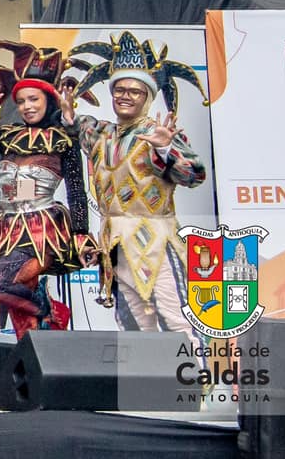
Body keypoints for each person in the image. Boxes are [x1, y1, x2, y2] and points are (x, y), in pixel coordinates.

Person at [65, 32, 208, 332]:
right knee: (132, 326)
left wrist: (164, 149)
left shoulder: (160, 134)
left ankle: (194, 378)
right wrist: (67, 115)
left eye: (135, 91)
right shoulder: (101, 134)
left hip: (155, 238)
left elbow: (195, 175)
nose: (125, 96)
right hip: (115, 244)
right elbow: (75, 126)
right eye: (119, 89)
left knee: (175, 318)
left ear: (148, 96)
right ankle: (148, 380)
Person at [0, 42, 98, 339]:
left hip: (42, 231)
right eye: (20, 101)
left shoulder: (63, 139)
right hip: (8, 228)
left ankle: (47, 310)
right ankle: (33, 364)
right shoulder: (9, 135)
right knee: (21, 318)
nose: (27, 106)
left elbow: (76, 190)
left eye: (33, 99)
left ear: (49, 98)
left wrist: (82, 234)